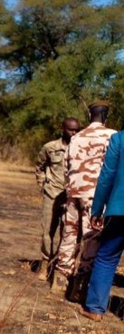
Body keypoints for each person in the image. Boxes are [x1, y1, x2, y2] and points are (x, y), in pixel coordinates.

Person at [54, 101, 115, 297]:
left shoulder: (76, 137)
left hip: (73, 192)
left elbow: (66, 165)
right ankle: (79, 287)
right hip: (95, 195)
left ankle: (60, 281)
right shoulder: (111, 136)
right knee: (91, 238)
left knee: (69, 235)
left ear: (90, 116)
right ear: (105, 116)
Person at [80, 124, 124, 321]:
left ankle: (95, 309)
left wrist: (97, 209)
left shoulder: (119, 139)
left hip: (119, 210)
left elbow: (106, 176)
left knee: (107, 257)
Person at [35, 118, 81, 281]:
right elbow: (39, 166)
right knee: (48, 231)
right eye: (70, 130)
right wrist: (42, 185)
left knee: (68, 232)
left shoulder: (80, 148)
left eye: (76, 130)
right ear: (63, 129)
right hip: (52, 194)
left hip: (71, 197)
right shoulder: (50, 147)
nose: (74, 133)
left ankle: (61, 265)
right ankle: (45, 263)